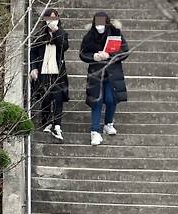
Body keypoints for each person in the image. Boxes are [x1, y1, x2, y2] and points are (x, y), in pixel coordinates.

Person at [79, 11, 129, 146]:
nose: (99, 25)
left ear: (107, 22)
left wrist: (110, 54)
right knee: (97, 101)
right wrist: (93, 57)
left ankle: (108, 123)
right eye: (97, 22)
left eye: (102, 22)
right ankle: (94, 132)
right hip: (96, 73)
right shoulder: (89, 36)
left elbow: (125, 50)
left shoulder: (115, 32)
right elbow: (83, 53)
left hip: (112, 73)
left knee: (111, 99)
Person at [30, 8, 69, 142]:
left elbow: (64, 46)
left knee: (58, 97)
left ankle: (57, 124)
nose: (52, 21)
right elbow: (33, 52)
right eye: (49, 18)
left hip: (58, 72)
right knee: (45, 97)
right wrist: (33, 68)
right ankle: (46, 122)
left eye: (54, 18)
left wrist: (56, 32)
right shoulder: (40, 35)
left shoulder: (62, 33)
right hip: (43, 71)